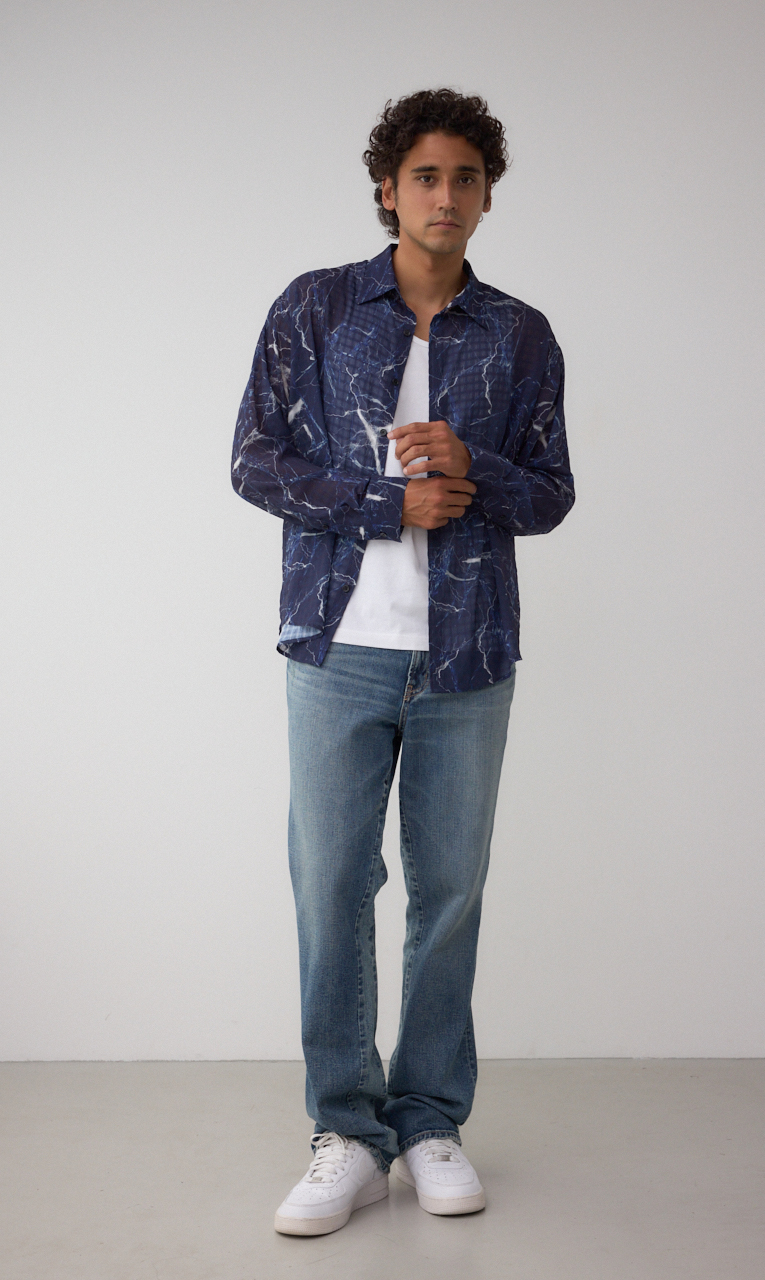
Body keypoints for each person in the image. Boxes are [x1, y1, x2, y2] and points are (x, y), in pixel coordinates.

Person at [231, 88, 574, 1237]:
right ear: (388, 188)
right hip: (338, 645)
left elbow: (550, 493)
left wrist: (473, 470)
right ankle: (346, 1128)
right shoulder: (317, 307)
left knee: (450, 889)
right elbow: (254, 460)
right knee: (331, 882)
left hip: (467, 654)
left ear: (487, 195)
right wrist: (387, 501)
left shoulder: (519, 334)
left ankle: (428, 1118)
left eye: (466, 177)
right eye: (425, 175)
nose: (446, 195)